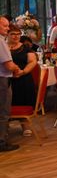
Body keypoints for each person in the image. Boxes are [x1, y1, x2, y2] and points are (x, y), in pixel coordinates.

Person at [8, 24, 37, 136]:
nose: (16, 36)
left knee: (23, 101)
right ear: (7, 34)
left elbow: (32, 61)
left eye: (18, 34)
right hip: (7, 79)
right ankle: (5, 125)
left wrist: (23, 72)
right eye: (13, 34)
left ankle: (25, 125)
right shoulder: (3, 47)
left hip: (23, 79)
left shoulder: (25, 48)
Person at [0, 15, 22, 152]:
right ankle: (1, 141)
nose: (7, 29)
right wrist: (17, 69)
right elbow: (8, 65)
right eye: (5, 26)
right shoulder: (1, 41)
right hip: (2, 80)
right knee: (3, 112)